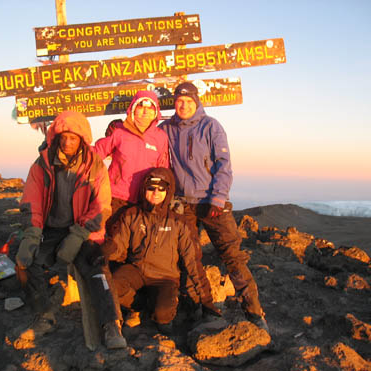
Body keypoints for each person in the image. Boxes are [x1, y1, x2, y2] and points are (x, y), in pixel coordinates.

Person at [159, 82, 269, 331]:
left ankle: (254, 312)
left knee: (232, 255)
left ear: (196, 101)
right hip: (183, 203)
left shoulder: (211, 126)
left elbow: (223, 164)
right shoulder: (166, 129)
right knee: (189, 258)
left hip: (212, 201)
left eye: (188, 100)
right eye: (179, 101)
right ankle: (205, 310)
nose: (184, 105)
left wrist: (218, 198)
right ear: (174, 103)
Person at [15, 110, 127, 349]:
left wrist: (77, 236)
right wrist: (32, 235)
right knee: (27, 262)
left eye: (73, 138)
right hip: (51, 229)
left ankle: (111, 326)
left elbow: (101, 206)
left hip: (83, 230)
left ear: (82, 140)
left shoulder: (95, 166)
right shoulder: (42, 165)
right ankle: (44, 315)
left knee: (98, 267)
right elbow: (31, 202)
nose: (67, 142)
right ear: (55, 137)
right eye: (63, 137)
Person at [100, 167, 219, 333]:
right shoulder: (131, 215)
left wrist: (207, 302)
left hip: (165, 277)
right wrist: (103, 251)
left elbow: (192, 262)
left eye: (162, 188)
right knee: (111, 286)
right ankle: (138, 308)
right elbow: (118, 247)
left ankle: (163, 310)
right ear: (144, 189)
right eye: (151, 188)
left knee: (163, 316)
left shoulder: (180, 223)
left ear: (168, 191)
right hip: (137, 270)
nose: (156, 192)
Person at [93, 90, 169, 234]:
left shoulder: (160, 137)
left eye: (150, 107)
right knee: (114, 237)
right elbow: (96, 152)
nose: (145, 111)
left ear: (156, 111)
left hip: (144, 199)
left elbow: (164, 169)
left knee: (137, 239)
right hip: (116, 197)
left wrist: (160, 198)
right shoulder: (119, 131)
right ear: (133, 109)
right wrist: (71, 150)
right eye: (141, 106)